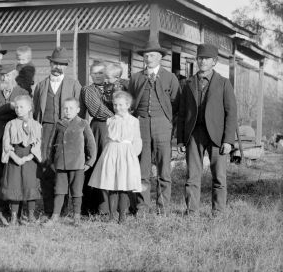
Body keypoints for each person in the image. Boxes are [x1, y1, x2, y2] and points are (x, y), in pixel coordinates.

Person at [177, 43, 238, 215]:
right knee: (192, 176)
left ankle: (218, 213)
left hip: (217, 136)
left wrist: (228, 140)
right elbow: (182, 114)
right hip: (194, 135)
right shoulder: (188, 83)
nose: (202, 61)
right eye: (200, 58)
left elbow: (231, 113)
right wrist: (181, 138)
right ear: (196, 60)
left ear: (214, 62)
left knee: (219, 177)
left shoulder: (224, 83)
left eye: (206, 59)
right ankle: (191, 212)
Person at [128, 37, 180, 214]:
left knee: (163, 168)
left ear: (159, 57)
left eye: (152, 55)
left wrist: (168, 122)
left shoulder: (170, 78)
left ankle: (163, 208)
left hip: (162, 125)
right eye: (146, 55)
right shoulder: (136, 78)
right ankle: (142, 207)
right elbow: (130, 101)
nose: (148, 58)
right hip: (141, 124)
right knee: (142, 169)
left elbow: (177, 103)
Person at [32, 47, 83, 214]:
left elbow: (79, 112)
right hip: (45, 130)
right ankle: (48, 210)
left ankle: (63, 211)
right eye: (55, 63)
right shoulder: (40, 86)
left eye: (62, 64)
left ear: (66, 67)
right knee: (46, 168)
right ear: (50, 63)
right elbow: (35, 112)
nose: (58, 67)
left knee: (63, 168)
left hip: (66, 131)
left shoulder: (74, 85)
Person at [0, 64, 29, 211]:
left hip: (16, 141)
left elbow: (23, 112)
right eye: (2, 75)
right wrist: (9, 107)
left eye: (7, 75)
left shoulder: (23, 92)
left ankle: (16, 208)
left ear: (14, 75)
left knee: (14, 174)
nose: (4, 78)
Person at [89, 91, 142, 223]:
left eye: (120, 105)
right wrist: (108, 154)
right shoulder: (110, 120)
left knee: (123, 186)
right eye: (115, 105)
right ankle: (112, 215)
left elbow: (137, 139)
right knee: (112, 184)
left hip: (126, 154)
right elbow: (107, 139)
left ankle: (122, 216)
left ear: (128, 105)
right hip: (112, 152)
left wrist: (132, 156)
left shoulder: (134, 121)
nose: (117, 108)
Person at [46, 97, 96, 225]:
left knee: (77, 191)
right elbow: (50, 144)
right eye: (65, 108)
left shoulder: (83, 123)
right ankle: (55, 216)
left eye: (71, 108)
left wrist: (89, 162)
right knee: (59, 190)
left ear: (78, 110)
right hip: (60, 163)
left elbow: (91, 145)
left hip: (77, 163)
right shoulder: (59, 124)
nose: (67, 111)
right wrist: (51, 161)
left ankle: (76, 217)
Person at [0, 94, 42, 225]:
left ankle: (30, 215)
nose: (18, 109)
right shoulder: (10, 124)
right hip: (14, 160)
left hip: (30, 161)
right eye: (16, 107)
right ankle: (13, 216)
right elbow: (6, 144)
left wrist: (28, 157)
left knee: (30, 186)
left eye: (21, 107)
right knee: (14, 186)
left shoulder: (36, 125)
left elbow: (38, 144)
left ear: (29, 108)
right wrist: (16, 158)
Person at [81, 61, 114, 214]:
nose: (97, 76)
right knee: (96, 163)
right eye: (94, 73)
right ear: (90, 74)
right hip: (99, 129)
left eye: (100, 72)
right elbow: (97, 109)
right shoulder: (88, 90)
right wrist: (117, 116)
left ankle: (110, 205)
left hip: (114, 129)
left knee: (111, 165)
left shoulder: (114, 87)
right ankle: (91, 206)